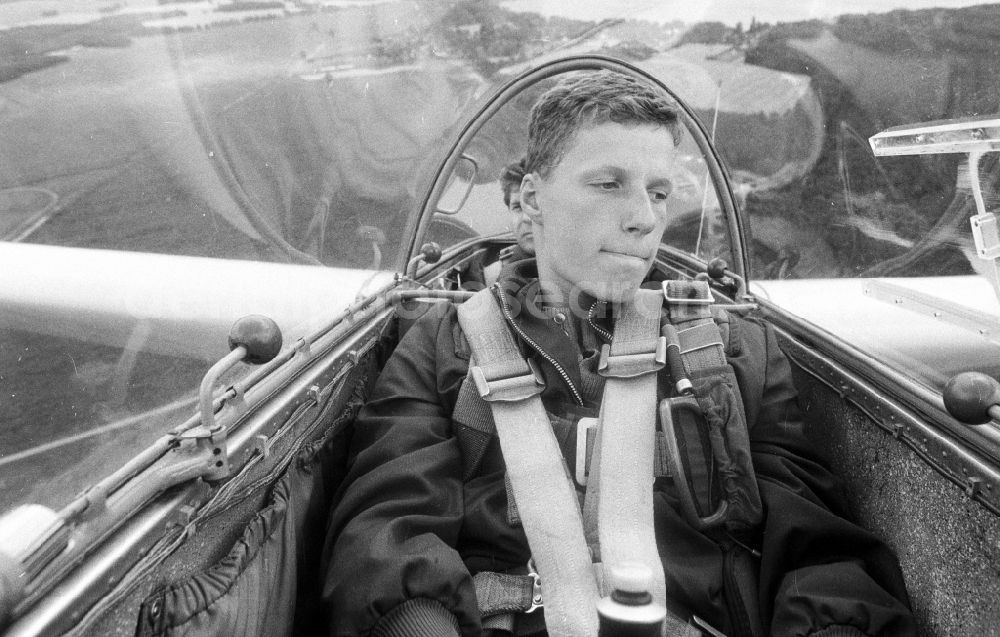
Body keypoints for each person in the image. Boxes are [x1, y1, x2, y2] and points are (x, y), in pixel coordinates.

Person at [320, 70, 916, 637]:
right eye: (609, 184)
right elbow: (387, 530)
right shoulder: (444, 341)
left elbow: (814, 546)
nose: (645, 218)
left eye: (660, 192)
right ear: (532, 197)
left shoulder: (732, 350)